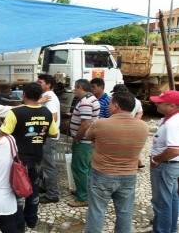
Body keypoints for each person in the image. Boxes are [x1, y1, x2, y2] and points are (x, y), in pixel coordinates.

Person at [84, 91, 149, 233]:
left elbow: (88, 136)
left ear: (116, 105)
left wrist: (98, 142)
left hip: (102, 175)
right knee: (125, 213)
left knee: (96, 212)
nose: (107, 105)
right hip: (129, 175)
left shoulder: (101, 123)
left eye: (109, 103)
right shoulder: (143, 126)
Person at [0, 82, 58, 232]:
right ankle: (31, 220)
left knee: (18, 191)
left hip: (18, 159)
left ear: (24, 95)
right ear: (39, 96)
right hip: (37, 156)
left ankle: (20, 225)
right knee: (33, 189)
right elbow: (54, 133)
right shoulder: (46, 112)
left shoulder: (16, 113)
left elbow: (3, 134)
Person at [149, 90, 179, 233]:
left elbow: (174, 150)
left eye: (160, 102)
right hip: (170, 166)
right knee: (171, 199)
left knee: (161, 203)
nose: (156, 104)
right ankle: (170, 229)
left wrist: (156, 159)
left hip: (166, 166)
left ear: (172, 106)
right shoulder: (170, 120)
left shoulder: (172, 124)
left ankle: (161, 230)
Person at [68, 79, 100, 207]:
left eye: (75, 88)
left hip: (83, 141)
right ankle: (84, 191)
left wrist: (77, 138)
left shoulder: (86, 102)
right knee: (86, 168)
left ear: (80, 87)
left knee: (79, 168)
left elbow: (85, 124)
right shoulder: (92, 99)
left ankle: (82, 198)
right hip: (88, 141)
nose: (74, 90)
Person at [37, 74, 61, 204]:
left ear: (48, 85)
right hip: (47, 136)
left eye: (40, 82)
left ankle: (52, 194)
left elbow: (54, 117)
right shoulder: (46, 97)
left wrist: (42, 131)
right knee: (45, 164)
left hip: (49, 137)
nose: (38, 84)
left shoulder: (50, 98)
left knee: (48, 166)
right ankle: (46, 187)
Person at [111, 84, 145, 168]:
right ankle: (137, 162)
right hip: (132, 125)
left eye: (114, 92)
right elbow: (140, 112)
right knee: (132, 146)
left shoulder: (116, 101)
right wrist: (135, 122)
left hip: (119, 125)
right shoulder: (136, 100)